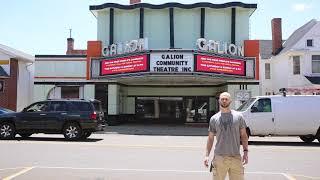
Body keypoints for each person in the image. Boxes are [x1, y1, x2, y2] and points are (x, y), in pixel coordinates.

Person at [204, 92, 249, 180]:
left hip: (235, 157)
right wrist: (206, 155)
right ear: (219, 101)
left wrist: (246, 152)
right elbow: (210, 138)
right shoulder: (214, 118)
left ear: (230, 101)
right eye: (222, 99)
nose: (224, 101)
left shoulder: (239, 117)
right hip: (219, 158)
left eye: (226, 99)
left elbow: (244, 135)